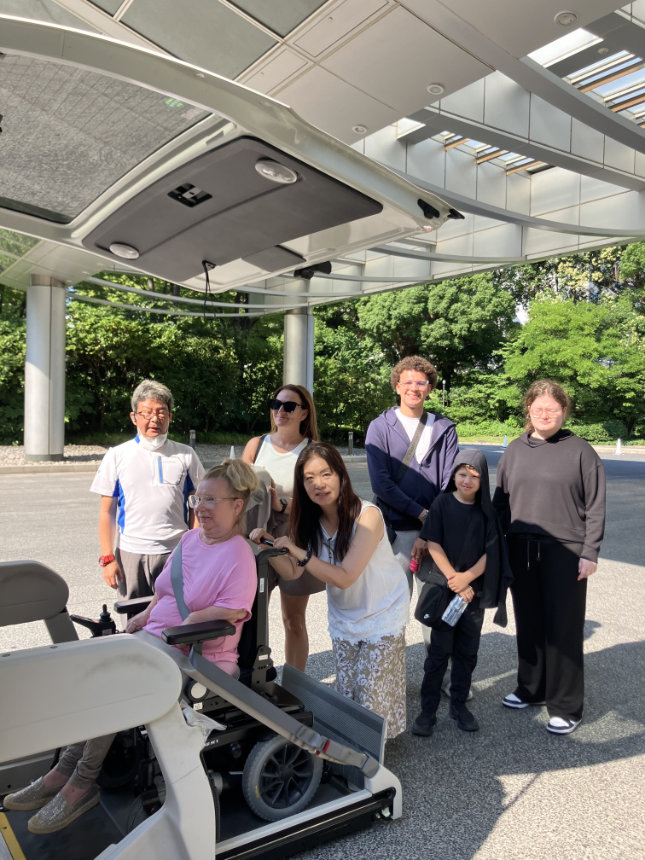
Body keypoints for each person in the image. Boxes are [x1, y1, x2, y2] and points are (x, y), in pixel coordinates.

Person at [5, 460, 259, 834]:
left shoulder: (238, 554)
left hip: (195, 655)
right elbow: (167, 589)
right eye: (197, 499)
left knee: (114, 689)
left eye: (210, 500)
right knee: (92, 674)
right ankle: (63, 770)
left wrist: (189, 621)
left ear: (237, 505)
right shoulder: (190, 540)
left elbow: (234, 610)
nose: (200, 508)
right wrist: (147, 613)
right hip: (154, 640)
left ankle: (80, 785)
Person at [250, 443, 409, 739]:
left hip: (382, 612)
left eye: (326, 474)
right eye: (309, 478)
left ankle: (369, 755)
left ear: (341, 475)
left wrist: (300, 552)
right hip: (345, 616)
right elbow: (293, 571)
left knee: (371, 693)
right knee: (348, 692)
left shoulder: (367, 516)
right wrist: (270, 545)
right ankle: (356, 745)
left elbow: (345, 577)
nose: (318, 484)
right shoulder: (308, 520)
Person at [493, 380, 606, 735]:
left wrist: (590, 552)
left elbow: (596, 505)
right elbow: (500, 502)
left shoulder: (581, 451)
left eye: (552, 409)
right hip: (521, 548)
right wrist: (495, 546)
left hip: (566, 550)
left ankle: (567, 705)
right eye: (538, 408)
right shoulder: (515, 450)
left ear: (564, 411)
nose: (545, 414)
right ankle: (531, 688)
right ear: (528, 409)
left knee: (563, 628)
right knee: (529, 622)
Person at [412, 450, 512, 737]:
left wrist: (467, 578)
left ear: (483, 480)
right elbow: (433, 543)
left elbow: (492, 551)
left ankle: (458, 705)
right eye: (462, 474)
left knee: (467, 653)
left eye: (474, 476)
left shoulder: (487, 512)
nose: (467, 480)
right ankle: (427, 711)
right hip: (446, 590)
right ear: (453, 476)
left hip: (473, 595)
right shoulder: (442, 503)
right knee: (438, 655)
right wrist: (454, 579)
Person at [91, 379, 204, 599]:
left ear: (170, 416)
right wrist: (107, 558)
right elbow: (107, 512)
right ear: (134, 417)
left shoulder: (186, 454)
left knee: (176, 614)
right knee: (133, 616)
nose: (154, 419)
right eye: (146, 413)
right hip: (131, 553)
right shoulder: (117, 455)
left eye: (161, 412)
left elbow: (197, 505)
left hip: (176, 551)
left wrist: (195, 548)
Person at [242, 384, 324, 672]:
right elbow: (237, 492)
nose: (280, 411)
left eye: (289, 406)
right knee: (251, 617)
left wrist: (282, 505)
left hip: (297, 536)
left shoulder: (314, 451)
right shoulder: (256, 444)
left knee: (294, 620)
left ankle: (294, 684)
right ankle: (251, 678)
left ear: (304, 413)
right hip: (256, 538)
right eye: (276, 404)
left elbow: (323, 502)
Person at [365, 356, 459, 593]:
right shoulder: (380, 427)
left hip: (436, 533)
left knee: (433, 602)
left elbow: (449, 483)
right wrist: (421, 514)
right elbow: (381, 484)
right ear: (397, 386)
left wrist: (429, 527)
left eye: (420, 383)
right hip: (396, 530)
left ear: (429, 388)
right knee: (393, 604)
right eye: (407, 382)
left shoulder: (445, 428)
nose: (413, 388)